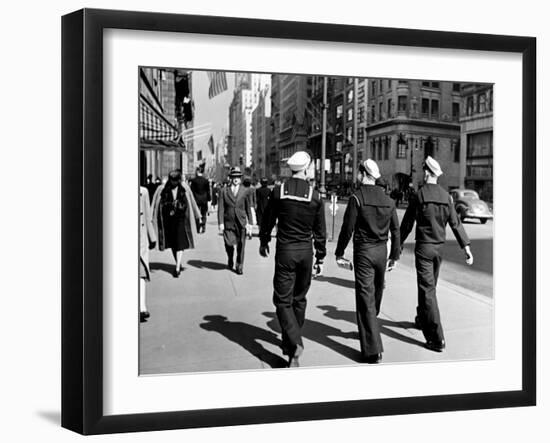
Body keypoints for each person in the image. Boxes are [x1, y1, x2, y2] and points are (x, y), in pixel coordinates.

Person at [259, 151, 327, 367]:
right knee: (299, 298)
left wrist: (263, 242)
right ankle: (291, 347)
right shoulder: (315, 196)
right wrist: (321, 257)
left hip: (286, 251)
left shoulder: (279, 192)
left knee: (281, 300)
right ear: (306, 169)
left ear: (291, 169)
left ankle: (294, 342)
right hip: (306, 252)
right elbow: (320, 231)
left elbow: (268, 220)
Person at [400, 156, 474, 352]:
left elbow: (407, 223)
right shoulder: (446, 196)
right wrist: (466, 247)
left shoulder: (419, 195)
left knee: (427, 291)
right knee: (428, 288)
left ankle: (436, 337)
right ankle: (421, 318)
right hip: (439, 249)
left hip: (424, 248)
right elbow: (455, 223)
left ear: (426, 173)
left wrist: (396, 245)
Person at [334, 159, 400, 364]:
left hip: (363, 252)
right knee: (376, 293)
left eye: (358, 172)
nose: (356, 175)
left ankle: (372, 350)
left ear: (363, 174)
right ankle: (369, 329)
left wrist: (339, 252)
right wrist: (394, 256)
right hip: (381, 252)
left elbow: (347, 228)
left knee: (365, 298)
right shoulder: (388, 200)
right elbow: (395, 230)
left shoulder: (357, 197)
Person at [155, 170, 201, 277]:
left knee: (180, 243)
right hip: (169, 220)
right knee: (172, 244)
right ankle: (178, 262)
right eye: (172, 180)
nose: (174, 182)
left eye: (176, 180)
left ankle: (177, 268)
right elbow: (159, 204)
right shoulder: (164, 189)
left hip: (181, 219)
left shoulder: (184, 188)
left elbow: (191, 201)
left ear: (179, 180)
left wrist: (198, 215)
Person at [218, 167, 253, 275]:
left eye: (238, 177)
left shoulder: (245, 190)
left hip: (241, 221)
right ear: (230, 178)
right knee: (228, 244)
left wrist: (250, 223)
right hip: (228, 221)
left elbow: (248, 208)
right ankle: (230, 258)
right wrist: (221, 223)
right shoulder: (224, 190)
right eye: (234, 177)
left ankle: (239, 265)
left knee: (241, 245)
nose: (236, 179)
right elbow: (221, 208)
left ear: (240, 178)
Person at [139, 186, 157, 322]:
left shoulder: (143, 192)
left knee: (141, 273)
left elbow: (147, 216)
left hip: (140, 239)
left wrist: (152, 237)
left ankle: (142, 307)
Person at [190, 166, 211, 233]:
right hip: (204, 199)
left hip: (196, 199)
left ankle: (198, 227)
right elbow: (208, 190)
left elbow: (192, 191)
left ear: (197, 171)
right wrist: (209, 198)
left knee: (196, 213)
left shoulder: (194, 181)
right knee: (204, 213)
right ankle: (203, 226)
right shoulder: (206, 181)